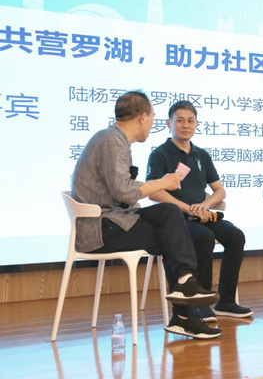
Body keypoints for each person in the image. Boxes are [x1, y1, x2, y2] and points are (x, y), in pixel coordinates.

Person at [71, 90, 222, 339]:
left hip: (116, 219)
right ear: (142, 117)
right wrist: (162, 182)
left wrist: (156, 185)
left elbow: (122, 192)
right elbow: (123, 191)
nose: (152, 124)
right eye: (152, 118)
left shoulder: (115, 140)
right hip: (101, 228)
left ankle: (185, 289)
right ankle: (185, 312)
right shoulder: (112, 140)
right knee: (172, 234)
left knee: (169, 213)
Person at [146, 100, 252, 321]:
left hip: (202, 215)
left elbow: (219, 190)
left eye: (190, 121)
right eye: (180, 120)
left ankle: (226, 301)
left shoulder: (201, 155)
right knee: (204, 237)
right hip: (175, 219)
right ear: (169, 124)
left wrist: (205, 205)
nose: (186, 125)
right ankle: (201, 304)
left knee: (235, 236)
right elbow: (154, 192)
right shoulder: (160, 154)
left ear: (196, 124)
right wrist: (188, 209)